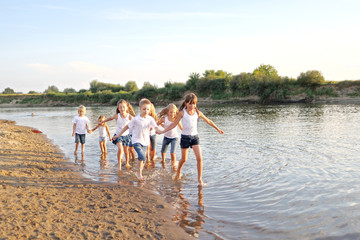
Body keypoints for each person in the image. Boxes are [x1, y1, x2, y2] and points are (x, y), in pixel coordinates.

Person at [156, 93, 224, 186]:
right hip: (185, 138)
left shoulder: (197, 112)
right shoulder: (182, 113)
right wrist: (162, 132)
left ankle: (200, 180)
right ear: (186, 103)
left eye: (194, 104)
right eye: (190, 104)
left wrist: (218, 129)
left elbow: (208, 121)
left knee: (199, 158)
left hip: (195, 137)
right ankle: (178, 172)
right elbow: (174, 124)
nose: (192, 106)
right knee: (184, 159)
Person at [113, 98, 160, 181]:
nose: (146, 111)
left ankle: (139, 173)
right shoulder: (136, 119)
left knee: (143, 159)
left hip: (145, 142)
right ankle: (139, 173)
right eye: (144, 109)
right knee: (142, 156)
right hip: (136, 141)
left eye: (148, 109)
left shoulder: (150, 119)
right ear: (140, 109)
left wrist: (161, 131)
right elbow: (126, 127)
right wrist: (118, 135)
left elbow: (156, 127)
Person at [102, 100, 135, 170]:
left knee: (126, 151)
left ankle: (127, 163)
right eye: (120, 107)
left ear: (126, 108)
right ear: (118, 108)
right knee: (120, 148)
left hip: (126, 136)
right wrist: (102, 121)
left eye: (123, 107)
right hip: (118, 135)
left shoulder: (130, 116)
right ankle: (119, 165)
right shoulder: (117, 116)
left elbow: (137, 123)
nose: (122, 109)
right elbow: (110, 118)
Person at [157, 103, 183, 169]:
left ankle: (174, 165)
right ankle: (163, 161)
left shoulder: (176, 119)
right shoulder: (164, 119)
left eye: (174, 112)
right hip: (166, 137)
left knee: (172, 152)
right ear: (167, 112)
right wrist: (157, 130)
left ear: (176, 112)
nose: (172, 114)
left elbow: (181, 128)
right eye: (171, 112)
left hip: (174, 138)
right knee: (163, 151)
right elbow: (156, 124)